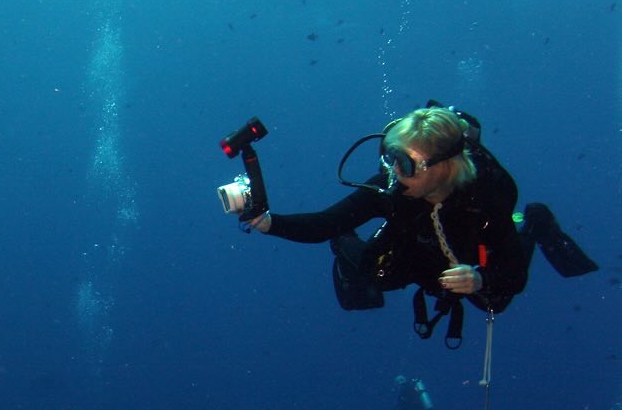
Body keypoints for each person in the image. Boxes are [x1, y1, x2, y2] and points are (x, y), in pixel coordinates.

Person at [247, 104, 597, 345]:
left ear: (443, 166)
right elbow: (326, 222)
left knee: (494, 302)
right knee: (374, 276)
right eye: (390, 156)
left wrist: (480, 278)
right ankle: (357, 247)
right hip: (417, 240)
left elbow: (514, 273)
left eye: (405, 164)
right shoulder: (393, 185)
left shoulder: (485, 199)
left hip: (464, 248)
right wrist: (268, 223)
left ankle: (534, 222)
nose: (394, 172)